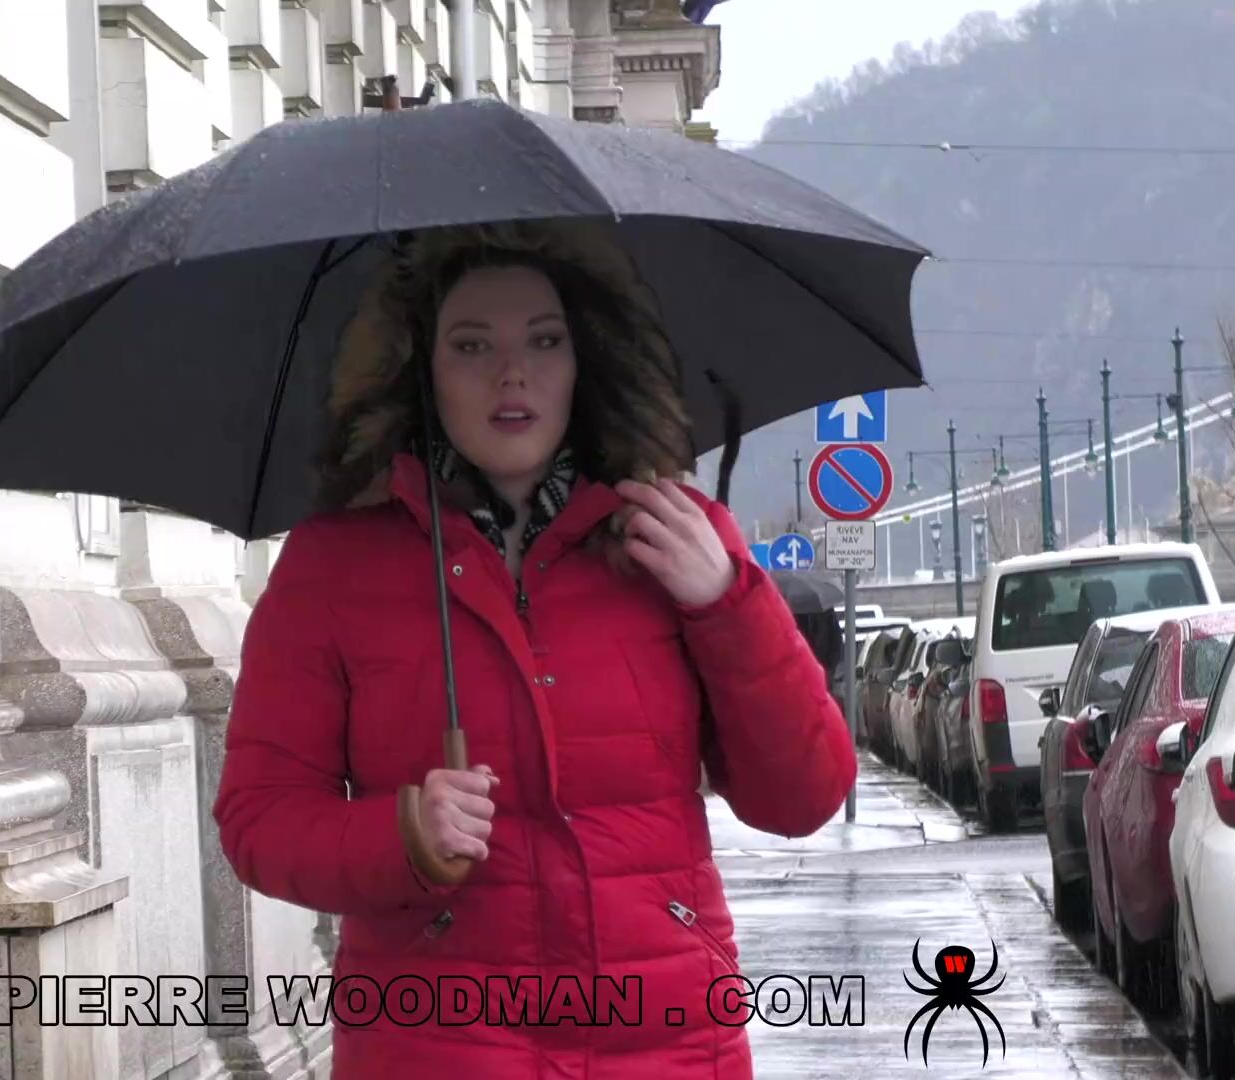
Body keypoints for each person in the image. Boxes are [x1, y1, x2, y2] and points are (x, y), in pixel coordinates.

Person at [212, 220, 858, 1078]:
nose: (512, 373)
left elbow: (804, 797)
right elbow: (259, 818)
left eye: (544, 340)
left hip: (664, 1049)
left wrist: (727, 604)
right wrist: (401, 834)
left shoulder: (677, 536)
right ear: (420, 368)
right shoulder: (334, 564)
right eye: (471, 344)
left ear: (588, 357)